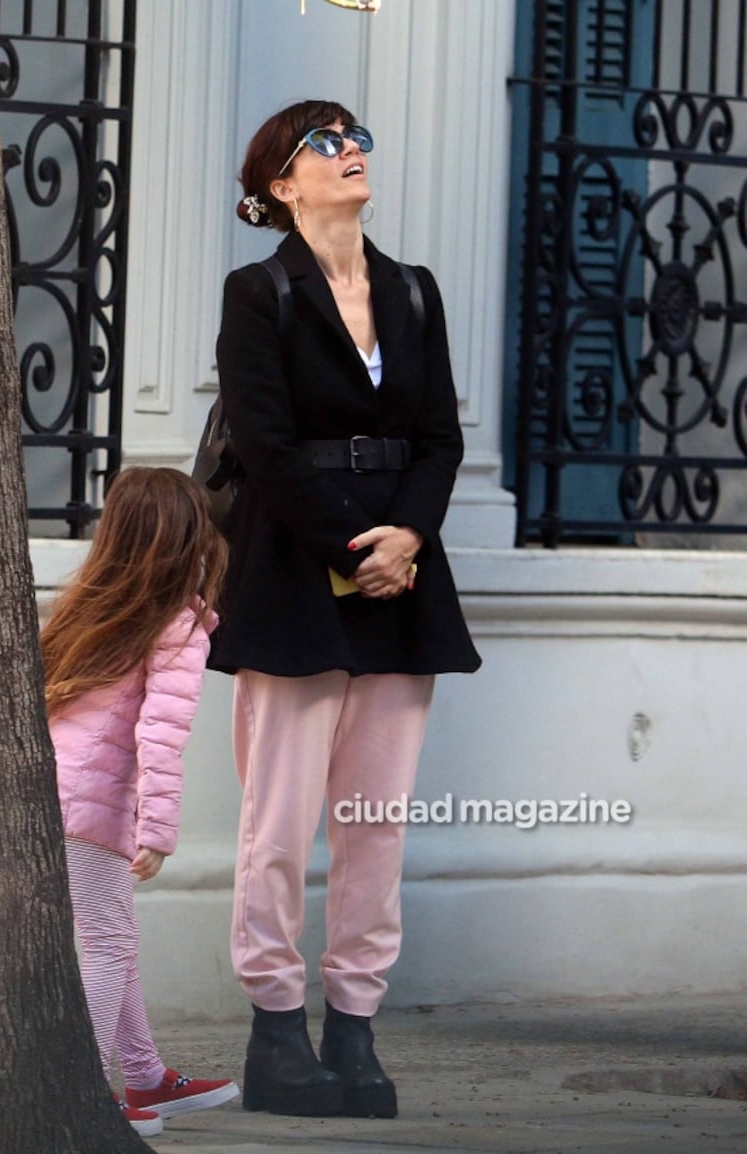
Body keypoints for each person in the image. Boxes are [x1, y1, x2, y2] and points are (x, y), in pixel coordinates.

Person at [209, 99, 481, 1120]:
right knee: (276, 821)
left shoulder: (412, 291)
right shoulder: (259, 291)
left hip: (400, 580)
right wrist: (347, 546)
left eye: (354, 134)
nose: (349, 151)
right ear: (280, 183)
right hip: (294, 574)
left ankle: (352, 1024)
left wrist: (404, 538)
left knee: (374, 821)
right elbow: (263, 442)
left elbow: (441, 436)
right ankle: (276, 1029)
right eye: (323, 143)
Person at [41, 467, 238, 1137]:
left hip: (56, 799)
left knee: (110, 941)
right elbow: (160, 735)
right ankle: (91, 1090)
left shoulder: (91, 604)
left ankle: (146, 1074)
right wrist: (157, 829)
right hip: (91, 809)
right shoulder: (177, 623)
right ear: (189, 536)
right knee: (107, 944)